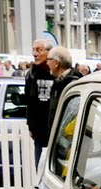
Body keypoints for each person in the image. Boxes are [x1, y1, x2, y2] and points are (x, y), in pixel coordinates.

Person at [26, 38, 54, 167]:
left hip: (56, 130)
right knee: (40, 168)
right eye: (33, 50)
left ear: (49, 52)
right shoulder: (31, 74)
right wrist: (31, 126)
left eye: (39, 50)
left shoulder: (57, 73)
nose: (35, 54)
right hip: (40, 132)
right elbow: (29, 102)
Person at [46, 46, 82, 132]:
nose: (47, 63)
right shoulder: (58, 82)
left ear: (56, 63)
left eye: (48, 60)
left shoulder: (74, 84)